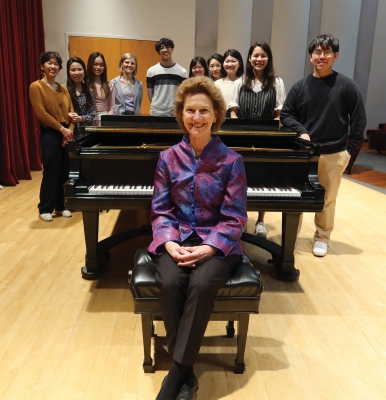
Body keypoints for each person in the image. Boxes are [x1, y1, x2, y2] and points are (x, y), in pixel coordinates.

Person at [148, 76, 247, 400]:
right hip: (176, 240)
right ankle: (187, 375)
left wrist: (208, 247)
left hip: (219, 243)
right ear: (182, 114)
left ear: (216, 114)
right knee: (173, 282)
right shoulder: (167, 158)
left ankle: (176, 374)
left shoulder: (232, 161)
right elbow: (161, 211)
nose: (197, 117)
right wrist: (170, 242)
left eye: (204, 110)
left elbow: (235, 217)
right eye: (190, 110)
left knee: (202, 285)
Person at [280, 34, 366, 257]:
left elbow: (359, 121)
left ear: (335, 56)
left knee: (327, 198)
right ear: (311, 57)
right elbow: (287, 114)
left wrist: (348, 153)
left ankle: (322, 237)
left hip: (333, 153)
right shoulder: (300, 87)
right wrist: (302, 131)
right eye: (317, 52)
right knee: (297, 196)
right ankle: (291, 237)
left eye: (327, 52)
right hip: (303, 153)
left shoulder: (347, 86)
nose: (322, 56)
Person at [229, 41, 286, 238]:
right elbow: (233, 110)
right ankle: (243, 217)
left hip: (265, 139)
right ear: (249, 58)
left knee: (263, 177)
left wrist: (272, 131)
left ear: (268, 58)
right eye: (255, 55)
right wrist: (238, 129)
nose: (259, 59)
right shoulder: (240, 82)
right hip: (242, 138)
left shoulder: (276, 82)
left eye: (263, 55)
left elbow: (279, 113)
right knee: (240, 178)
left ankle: (261, 220)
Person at [29, 51, 74, 222]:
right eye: (49, 63)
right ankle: (45, 208)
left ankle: (61, 206)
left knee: (64, 171)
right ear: (42, 66)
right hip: (50, 132)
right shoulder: (36, 86)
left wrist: (69, 130)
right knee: (51, 171)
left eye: (56, 64)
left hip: (66, 133)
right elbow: (41, 113)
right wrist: (62, 129)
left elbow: (70, 112)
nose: (53, 66)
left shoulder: (63, 88)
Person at [146, 38, 187, 116]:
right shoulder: (151, 71)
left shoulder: (182, 72)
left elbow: (182, 95)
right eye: (161, 48)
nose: (165, 50)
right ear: (158, 52)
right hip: (156, 113)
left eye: (167, 47)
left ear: (172, 49)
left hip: (174, 114)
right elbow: (150, 94)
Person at [65, 57, 96, 140]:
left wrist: (80, 118)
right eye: (73, 70)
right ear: (68, 72)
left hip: (86, 134)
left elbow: (92, 113)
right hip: (68, 134)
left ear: (84, 71)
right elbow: (58, 112)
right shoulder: (63, 89)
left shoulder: (89, 91)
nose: (77, 73)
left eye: (79, 69)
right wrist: (67, 115)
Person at [86, 52, 115, 125]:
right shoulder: (84, 84)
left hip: (104, 120)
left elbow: (112, 108)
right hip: (88, 119)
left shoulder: (110, 85)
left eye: (101, 65)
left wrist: (106, 121)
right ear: (90, 65)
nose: (98, 67)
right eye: (95, 64)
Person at [214, 49, 244, 116]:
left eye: (233, 61)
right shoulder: (216, 84)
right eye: (227, 61)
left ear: (240, 64)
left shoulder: (244, 83)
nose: (229, 64)